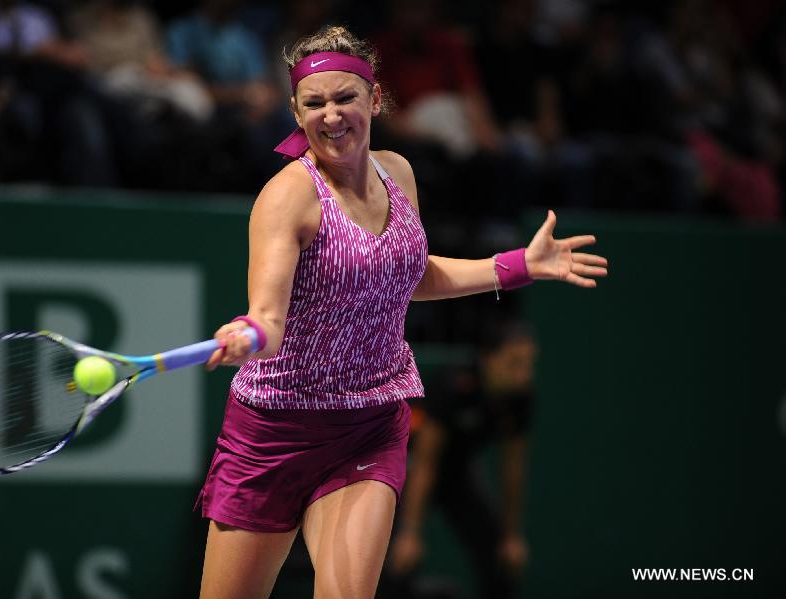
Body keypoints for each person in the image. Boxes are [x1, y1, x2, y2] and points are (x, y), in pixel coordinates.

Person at [194, 25, 608, 598]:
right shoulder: (287, 197)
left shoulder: (399, 174)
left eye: (345, 98)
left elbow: (405, 275)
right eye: (314, 103)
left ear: (376, 99)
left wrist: (517, 265)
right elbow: (268, 314)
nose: (331, 115)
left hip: (371, 423)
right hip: (276, 432)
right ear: (296, 111)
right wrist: (248, 333)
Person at [385, 320, 538, 599]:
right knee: (395, 558)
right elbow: (425, 462)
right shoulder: (454, 385)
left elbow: (513, 469)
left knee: (500, 556)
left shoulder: (520, 397)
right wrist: (410, 532)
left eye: (528, 364)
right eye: (514, 363)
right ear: (488, 359)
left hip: (459, 472)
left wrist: (512, 535)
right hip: (410, 469)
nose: (523, 375)